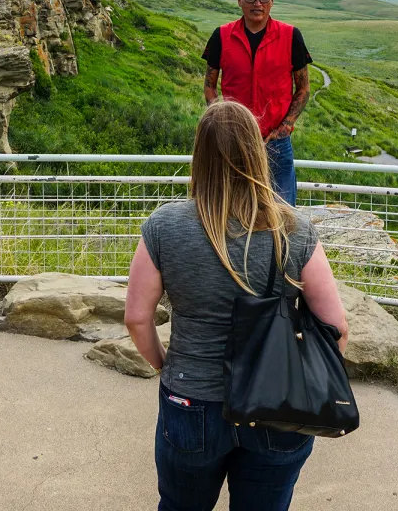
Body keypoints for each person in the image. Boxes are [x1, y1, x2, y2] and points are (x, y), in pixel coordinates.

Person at [124, 100, 349, 511]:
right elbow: (338, 327)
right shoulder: (294, 230)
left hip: (192, 399)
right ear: (256, 150)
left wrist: (165, 365)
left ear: (200, 154)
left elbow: (137, 319)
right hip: (278, 404)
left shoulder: (164, 226)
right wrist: (303, 381)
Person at [203, 0, 312, 205]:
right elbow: (209, 85)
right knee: (232, 208)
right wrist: (222, 122)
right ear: (239, 0)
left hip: (277, 142)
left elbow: (303, 88)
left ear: (272, 1)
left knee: (283, 213)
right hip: (233, 140)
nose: (257, 3)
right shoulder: (221, 36)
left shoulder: (291, 36)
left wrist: (285, 128)